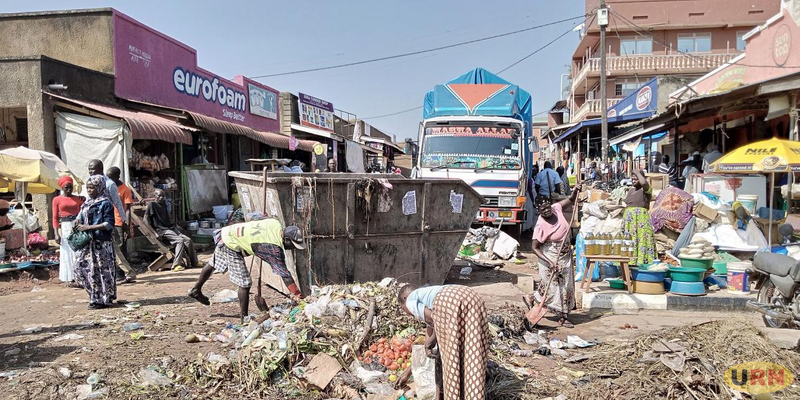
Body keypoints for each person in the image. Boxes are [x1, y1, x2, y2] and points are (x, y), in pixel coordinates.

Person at [187, 214, 306, 322]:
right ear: (286, 239)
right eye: (293, 245)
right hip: (231, 244)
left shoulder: (275, 222)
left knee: (214, 263)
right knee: (245, 283)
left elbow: (252, 216)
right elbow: (284, 274)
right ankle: (244, 318)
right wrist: (298, 296)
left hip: (228, 233)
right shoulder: (273, 248)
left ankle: (195, 290)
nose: (293, 248)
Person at [396, 284, 488, 400]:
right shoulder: (429, 295)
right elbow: (431, 332)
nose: (407, 312)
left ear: (404, 299)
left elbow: (435, 321)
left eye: (403, 309)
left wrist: (430, 343)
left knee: (451, 359)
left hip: (450, 301)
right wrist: (410, 371)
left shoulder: (410, 300)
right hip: (473, 298)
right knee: (472, 354)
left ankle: (453, 395)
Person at [526, 184, 581, 328]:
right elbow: (535, 248)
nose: (546, 211)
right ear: (538, 211)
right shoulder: (540, 226)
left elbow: (570, 199)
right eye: (542, 210)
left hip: (565, 254)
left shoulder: (557, 208)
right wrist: (549, 261)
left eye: (547, 207)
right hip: (550, 255)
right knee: (553, 288)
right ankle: (555, 311)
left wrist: (575, 190)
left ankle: (564, 315)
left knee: (567, 285)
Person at [73, 175, 117, 309]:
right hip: (87, 243)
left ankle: (101, 299)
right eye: (88, 188)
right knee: (82, 268)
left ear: (100, 187)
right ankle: (94, 295)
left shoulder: (106, 203)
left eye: (92, 188)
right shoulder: (86, 204)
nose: (89, 190)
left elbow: (109, 224)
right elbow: (80, 216)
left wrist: (90, 227)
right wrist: (77, 221)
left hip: (101, 244)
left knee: (101, 272)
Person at [145, 189, 198, 271]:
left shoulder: (164, 204)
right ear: (155, 196)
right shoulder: (152, 205)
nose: (161, 198)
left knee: (188, 240)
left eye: (163, 196)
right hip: (162, 230)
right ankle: (176, 265)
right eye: (159, 196)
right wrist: (155, 233)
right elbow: (146, 220)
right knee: (179, 241)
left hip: (170, 228)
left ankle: (194, 262)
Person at [52, 176, 84, 285]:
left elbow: (82, 213)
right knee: (67, 251)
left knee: (78, 250)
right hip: (65, 226)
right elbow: (55, 217)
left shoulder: (78, 199)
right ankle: (69, 276)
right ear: (62, 188)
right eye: (66, 187)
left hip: (76, 225)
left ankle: (80, 276)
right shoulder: (57, 200)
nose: (69, 190)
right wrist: (56, 233)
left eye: (71, 187)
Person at [107, 167, 136, 284]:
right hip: (109, 221)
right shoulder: (108, 187)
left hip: (119, 222)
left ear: (117, 176)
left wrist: (127, 225)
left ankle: (122, 275)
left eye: (111, 177)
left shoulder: (124, 189)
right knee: (113, 249)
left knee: (120, 248)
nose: (108, 179)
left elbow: (128, 209)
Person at [624, 170, 657, 267]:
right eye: (632, 179)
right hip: (630, 222)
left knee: (642, 240)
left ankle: (642, 264)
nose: (634, 181)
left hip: (640, 220)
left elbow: (643, 183)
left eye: (636, 179)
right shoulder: (631, 190)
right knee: (631, 241)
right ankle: (630, 264)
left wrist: (637, 172)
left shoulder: (646, 189)